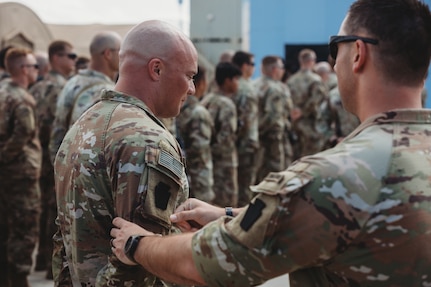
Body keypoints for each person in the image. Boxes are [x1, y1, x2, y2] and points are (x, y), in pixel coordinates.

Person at [110, 0, 431, 286]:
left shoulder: (337, 175)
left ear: (358, 53)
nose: (334, 63)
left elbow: (211, 263)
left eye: (336, 48)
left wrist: (138, 243)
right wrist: (230, 216)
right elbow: (332, 221)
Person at [52, 20, 197, 286]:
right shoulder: (148, 140)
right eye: (189, 75)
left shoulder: (86, 123)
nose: (191, 89)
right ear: (156, 69)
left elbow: (64, 239)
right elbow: (138, 255)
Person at [29, 40, 76, 278]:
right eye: (71, 55)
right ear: (56, 57)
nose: (74, 60)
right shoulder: (65, 89)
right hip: (55, 158)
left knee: (40, 210)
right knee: (55, 211)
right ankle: (50, 264)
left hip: (35, 159)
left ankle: (39, 260)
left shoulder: (35, 87)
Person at [0, 48, 41, 287]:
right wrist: (4, 156)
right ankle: (19, 279)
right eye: (34, 66)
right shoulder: (23, 98)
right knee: (24, 228)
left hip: (6, 174)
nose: (37, 71)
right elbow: (24, 132)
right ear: (23, 69)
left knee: (5, 227)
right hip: (21, 173)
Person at [49, 31, 122, 163]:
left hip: (66, 167)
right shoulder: (107, 91)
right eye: (120, 51)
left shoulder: (71, 82)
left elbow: (58, 130)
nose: (122, 56)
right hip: (86, 171)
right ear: (108, 54)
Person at [201, 62, 241, 207]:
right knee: (226, 207)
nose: (238, 84)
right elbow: (226, 139)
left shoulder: (206, 100)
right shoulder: (226, 104)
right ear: (227, 80)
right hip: (224, 164)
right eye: (236, 79)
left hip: (208, 162)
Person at [176, 65, 215, 202]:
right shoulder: (199, 112)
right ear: (202, 83)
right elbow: (200, 154)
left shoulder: (176, 107)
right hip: (198, 181)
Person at [253, 55, 293, 182]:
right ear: (275, 69)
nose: (283, 71)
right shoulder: (275, 88)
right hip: (272, 140)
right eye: (282, 68)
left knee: (257, 175)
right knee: (275, 177)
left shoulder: (254, 84)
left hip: (256, 138)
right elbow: (273, 118)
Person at [287, 48, 328, 159]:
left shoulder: (291, 80)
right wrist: (303, 111)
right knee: (311, 159)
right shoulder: (315, 80)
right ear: (311, 61)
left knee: (295, 159)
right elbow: (317, 100)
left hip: (294, 125)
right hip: (310, 125)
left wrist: (294, 112)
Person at [231, 51, 259, 206]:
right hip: (246, 145)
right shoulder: (247, 88)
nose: (253, 68)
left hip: (234, 144)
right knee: (245, 189)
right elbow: (246, 121)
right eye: (252, 64)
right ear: (244, 66)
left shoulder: (230, 83)